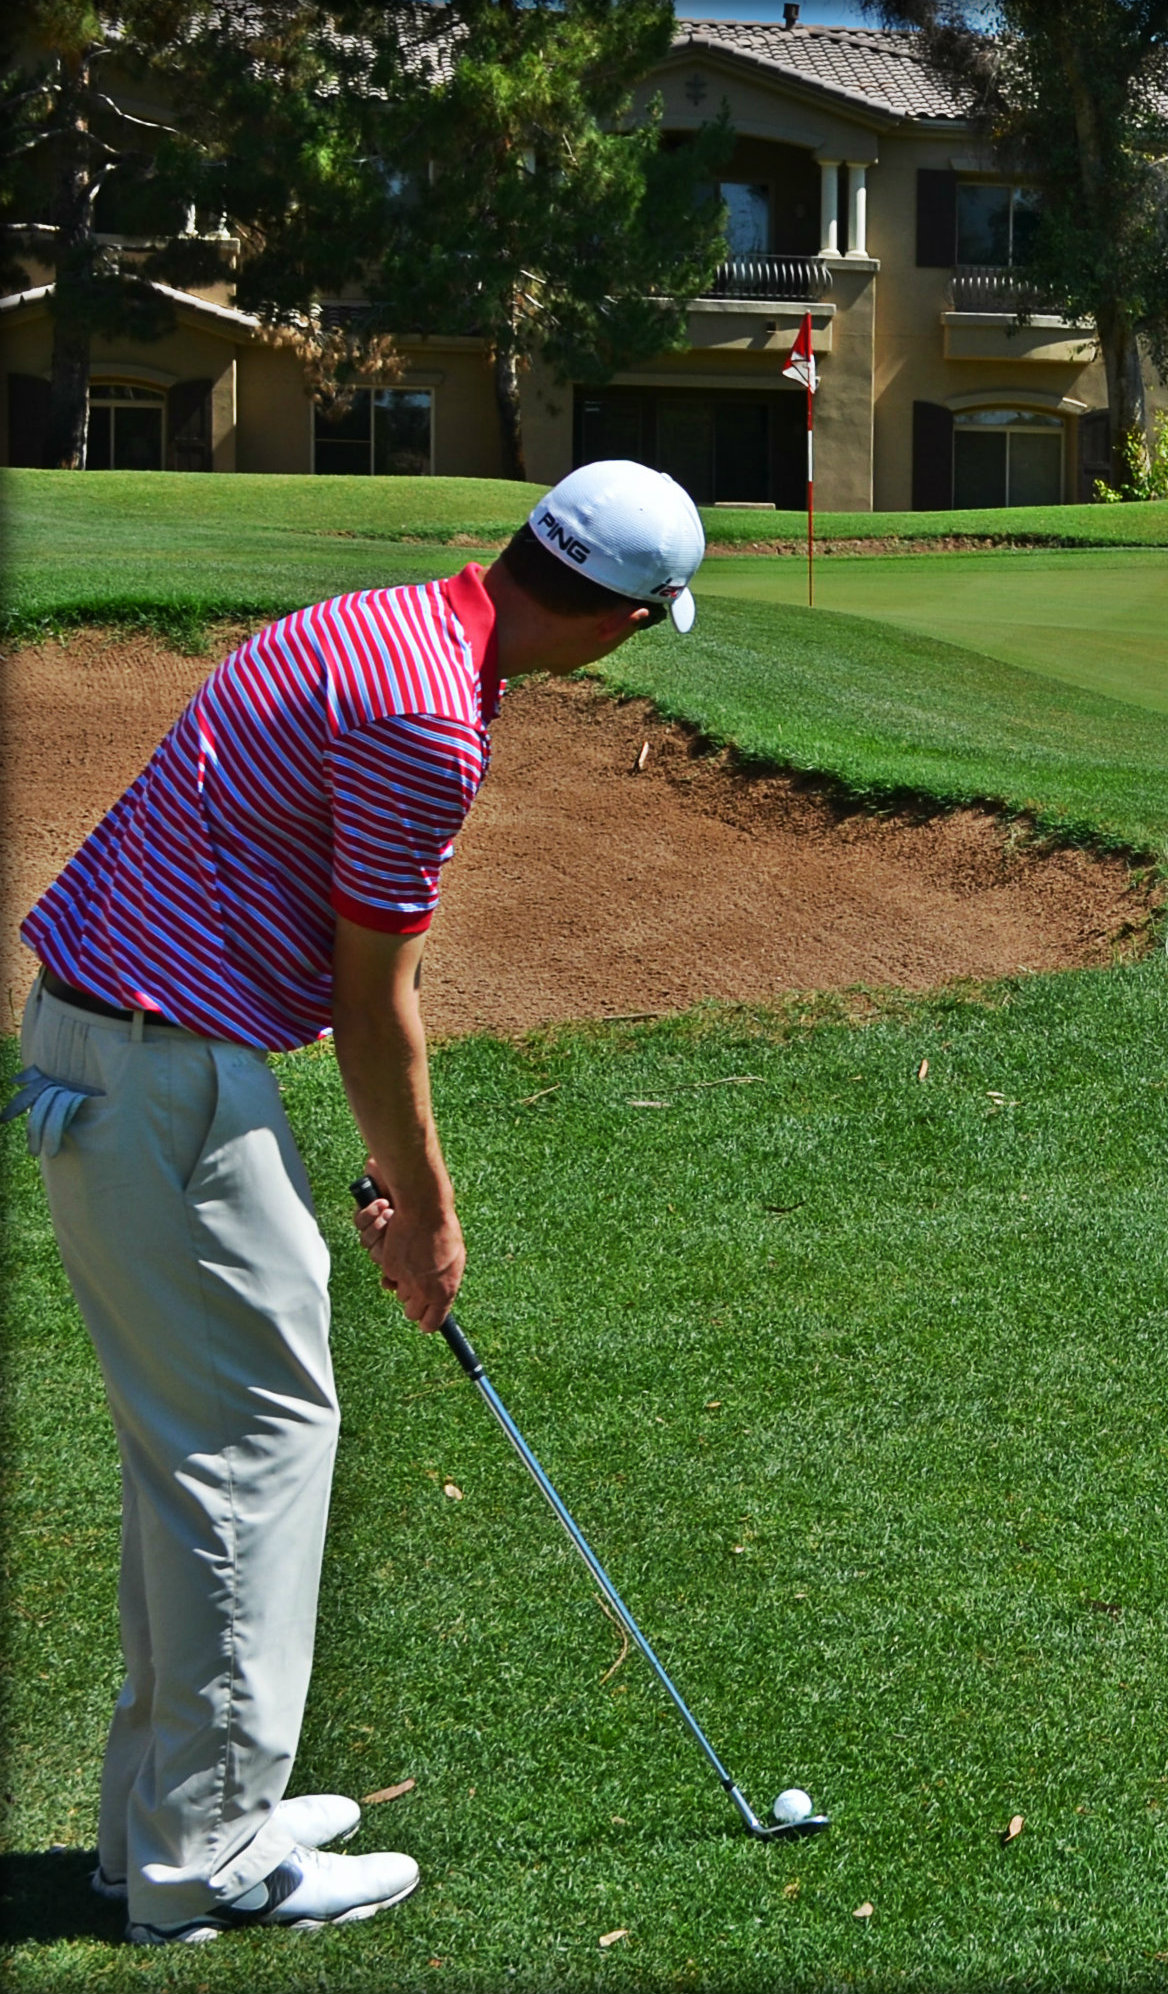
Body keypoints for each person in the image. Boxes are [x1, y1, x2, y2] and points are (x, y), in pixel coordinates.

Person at [8, 461, 705, 1945]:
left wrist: (391, 1174)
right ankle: (210, 1856)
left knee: (194, 1452)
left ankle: (162, 1822)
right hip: (163, 1071)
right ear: (617, 618)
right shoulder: (429, 718)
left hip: (101, 1043)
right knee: (252, 1445)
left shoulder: (377, 621)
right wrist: (428, 1213)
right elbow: (376, 1003)